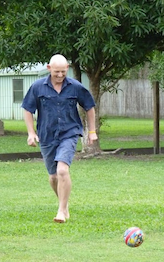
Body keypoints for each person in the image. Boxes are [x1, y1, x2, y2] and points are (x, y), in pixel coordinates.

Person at [21, 54, 98, 223]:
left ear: (67, 69)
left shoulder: (75, 87)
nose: (60, 75)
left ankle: (61, 211)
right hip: (46, 135)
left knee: (62, 170)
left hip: (69, 133)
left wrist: (92, 131)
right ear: (49, 68)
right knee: (54, 176)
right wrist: (31, 132)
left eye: (63, 71)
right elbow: (27, 109)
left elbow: (90, 107)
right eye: (57, 71)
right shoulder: (38, 87)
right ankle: (64, 204)